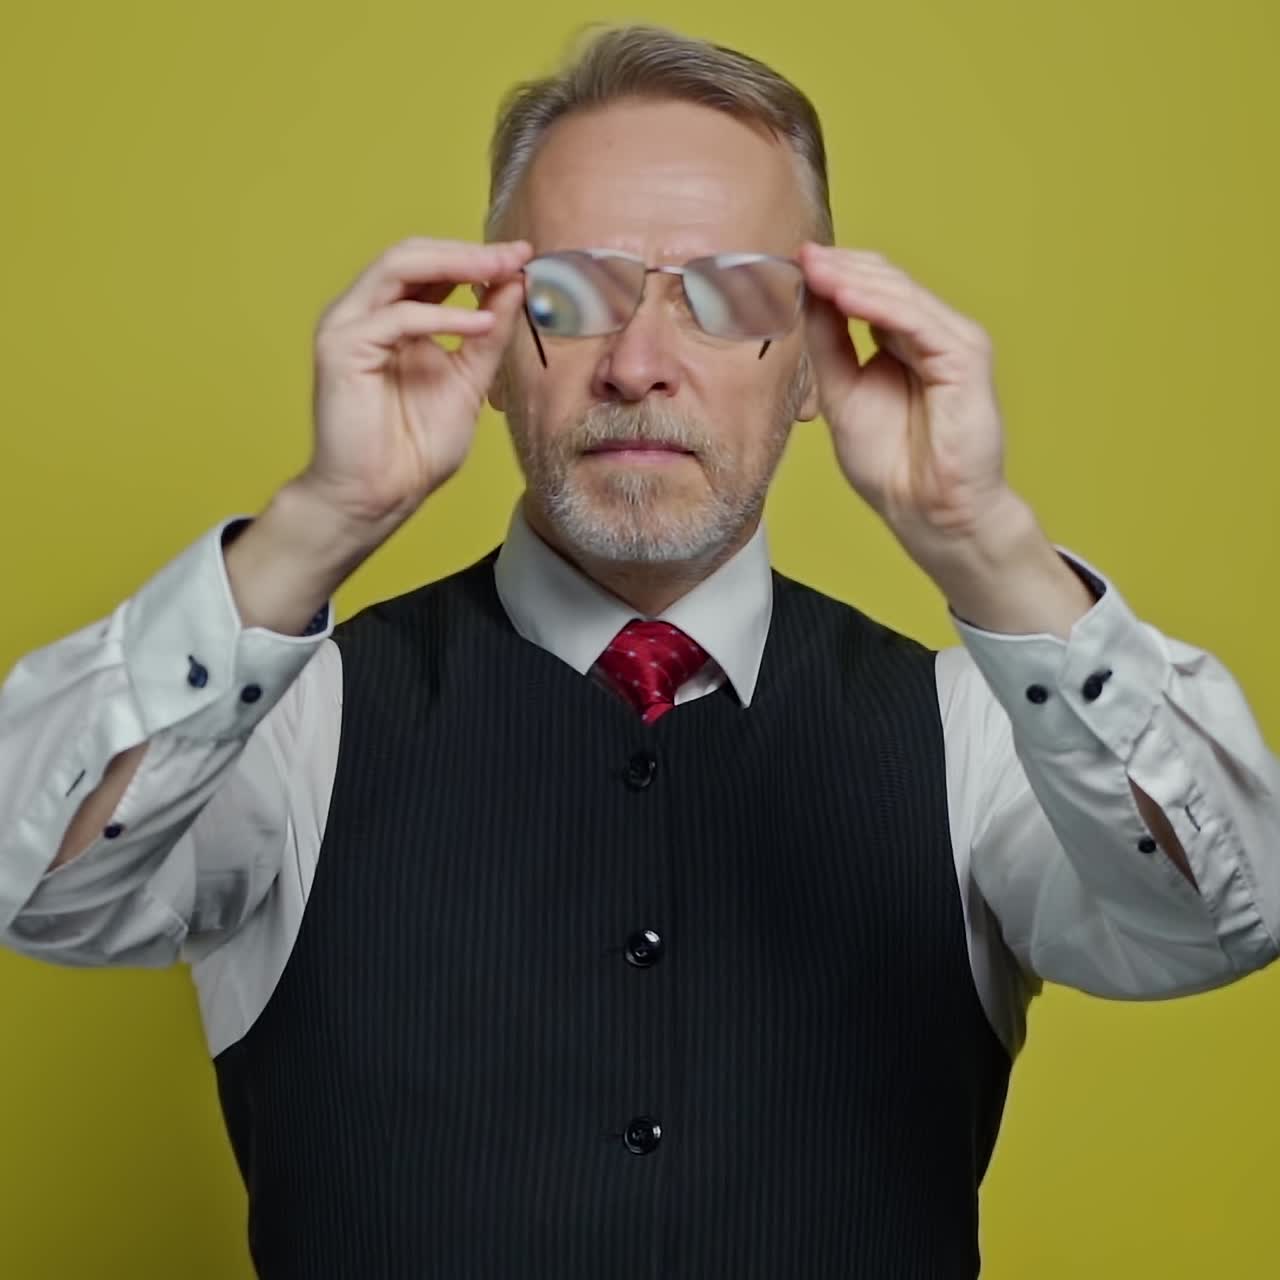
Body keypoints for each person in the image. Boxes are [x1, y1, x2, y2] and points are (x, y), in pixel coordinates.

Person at [1, 21, 1277, 1280]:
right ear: (493, 344)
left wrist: (983, 541)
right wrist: (310, 530)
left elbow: (1225, 917)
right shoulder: (288, 709)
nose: (639, 365)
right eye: (571, 293)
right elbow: (39, 892)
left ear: (819, 365)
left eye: (729, 295)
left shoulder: (975, 727)